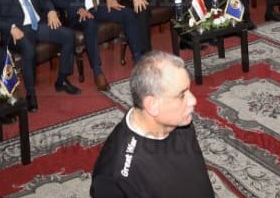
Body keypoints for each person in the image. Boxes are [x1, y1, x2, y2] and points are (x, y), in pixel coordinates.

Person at [90, 52, 215, 198]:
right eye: (182, 95)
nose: (193, 100)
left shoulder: (179, 120)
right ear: (152, 105)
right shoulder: (115, 174)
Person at [50, 0, 143, 91]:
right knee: (90, 24)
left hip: (98, 7)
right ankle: (98, 71)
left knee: (126, 13)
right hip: (78, 13)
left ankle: (138, 56)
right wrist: (77, 8)